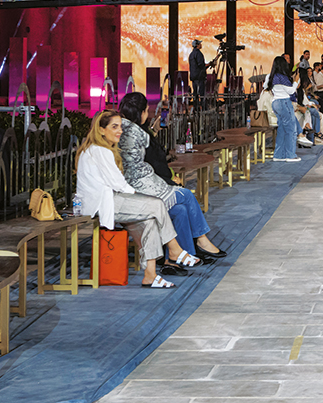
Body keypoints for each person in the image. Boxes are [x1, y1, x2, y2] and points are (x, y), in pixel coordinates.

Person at [76, 111, 193, 288]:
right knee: (156, 204)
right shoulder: (100, 151)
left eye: (120, 126)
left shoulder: (99, 150)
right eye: (114, 127)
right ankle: (174, 249)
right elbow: (119, 184)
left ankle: (150, 275)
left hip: (110, 200)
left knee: (150, 221)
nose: (120, 131)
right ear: (101, 130)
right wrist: (140, 196)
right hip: (103, 203)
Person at [117, 93, 224, 265]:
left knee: (180, 210)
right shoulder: (134, 136)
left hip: (142, 189)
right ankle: (202, 240)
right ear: (141, 113)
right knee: (186, 195)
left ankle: (186, 254)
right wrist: (170, 183)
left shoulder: (132, 134)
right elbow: (150, 169)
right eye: (147, 111)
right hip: (137, 195)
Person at [268, 57, 301, 162]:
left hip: (276, 103)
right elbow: (291, 91)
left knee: (282, 130)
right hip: (284, 103)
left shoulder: (272, 76)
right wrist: (296, 81)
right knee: (291, 130)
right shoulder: (282, 77)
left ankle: (278, 155)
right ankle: (290, 155)